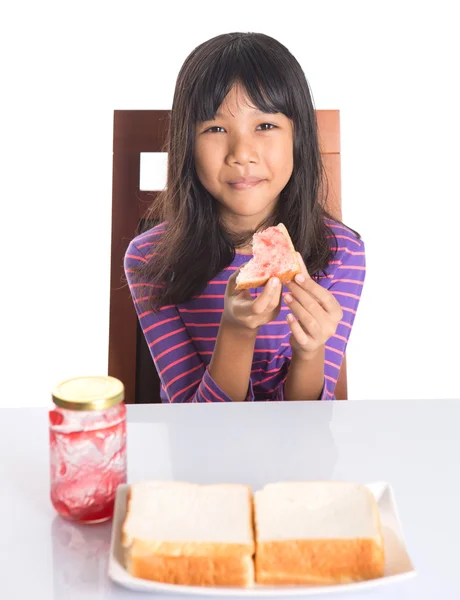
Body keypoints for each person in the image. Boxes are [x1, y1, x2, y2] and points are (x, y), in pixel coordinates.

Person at [124, 32, 366, 403]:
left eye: (265, 126)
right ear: (186, 145)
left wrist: (309, 350)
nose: (242, 153)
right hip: (200, 455)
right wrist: (236, 331)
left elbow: (305, 430)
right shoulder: (149, 259)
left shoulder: (341, 253)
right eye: (216, 129)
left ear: (298, 137)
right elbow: (197, 429)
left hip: (297, 456)